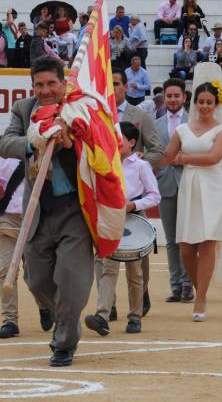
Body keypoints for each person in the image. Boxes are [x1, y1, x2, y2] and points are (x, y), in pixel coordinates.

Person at [0, 56, 97, 367]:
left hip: (74, 210)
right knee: (37, 280)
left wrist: (70, 141)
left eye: (51, 83)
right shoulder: (24, 110)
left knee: (70, 280)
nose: (46, 90)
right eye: (39, 84)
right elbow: (4, 144)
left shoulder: (79, 106)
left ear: (63, 82)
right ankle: (52, 310)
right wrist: (35, 141)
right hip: (38, 210)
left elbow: (102, 144)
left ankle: (64, 342)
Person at [161, 72, 222, 321]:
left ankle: (200, 297)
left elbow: (214, 157)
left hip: (212, 186)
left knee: (207, 242)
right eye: (200, 102)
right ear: (194, 103)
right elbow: (167, 156)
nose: (204, 106)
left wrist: (185, 159)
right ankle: (198, 285)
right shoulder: (182, 129)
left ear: (215, 104)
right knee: (186, 249)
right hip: (189, 187)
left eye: (208, 102)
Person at [85, 121, 161, 336]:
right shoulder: (105, 163)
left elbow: (154, 195)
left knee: (134, 271)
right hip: (111, 218)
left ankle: (135, 316)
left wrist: (134, 205)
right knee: (108, 267)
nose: (114, 143)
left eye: (119, 139)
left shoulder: (141, 166)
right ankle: (102, 315)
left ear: (132, 142)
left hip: (135, 218)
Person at [0, 148, 53, 339]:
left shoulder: (45, 152)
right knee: (6, 270)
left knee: (35, 273)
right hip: (8, 220)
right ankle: (10, 320)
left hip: (36, 219)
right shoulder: (4, 157)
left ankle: (45, 306)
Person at [154, 78, 194, 303]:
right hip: (166, 183)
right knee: (171, 239)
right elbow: (152, 153)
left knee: (187, 237)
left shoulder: (194, 122)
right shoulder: (156, 123)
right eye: (168, 96)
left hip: (190, 183)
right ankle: (176, 285)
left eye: (176, 95)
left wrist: (184, 160)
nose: (172, 99)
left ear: (184, 98)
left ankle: (188, 284)